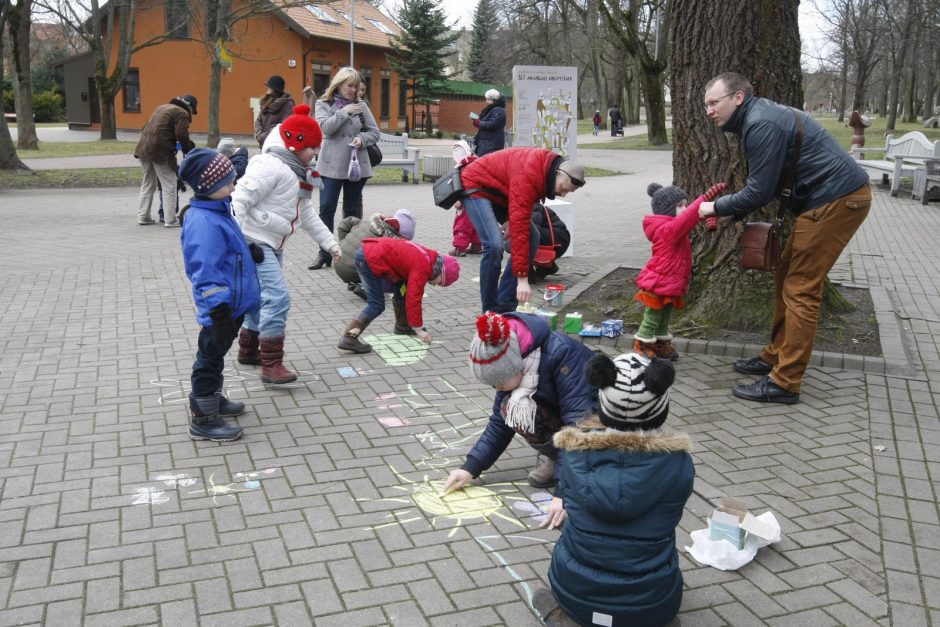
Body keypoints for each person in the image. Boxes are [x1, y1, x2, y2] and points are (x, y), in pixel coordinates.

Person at [698, 72, 871, 405]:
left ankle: (785, 382)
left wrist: (714, 206)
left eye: (714, 102)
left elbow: (759, 191)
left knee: (801, 287)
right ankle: (774, 355)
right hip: (827, 200)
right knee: (785, 272)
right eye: (706, 104)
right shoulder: (759, 118)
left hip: (836, 200)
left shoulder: (761, 123)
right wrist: (732, 212)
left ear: (738, 98)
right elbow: (771, 182)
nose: (709, 110)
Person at [532, 351, 693, 627]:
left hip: (578, 596)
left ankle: (568, 617)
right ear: (660, 407)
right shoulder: (679, 464)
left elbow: (570, 498)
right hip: (654, 603)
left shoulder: (574, 454)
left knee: (569, 558)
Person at [442, 311, 598, 520]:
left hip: (600, 423)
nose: (497, 389)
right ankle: (557, 459)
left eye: (498, 382)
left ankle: (594, 469)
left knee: (580, 440)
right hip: (568, 419)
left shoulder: (563, 354)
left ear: (516, 367)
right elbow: (499, 423)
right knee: (511, 410)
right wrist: (471, 468)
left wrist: (563, 493)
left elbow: (579, 427)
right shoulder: (515, 360)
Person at [232, 104, 341, 384]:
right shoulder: (270, 166)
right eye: (312, 148)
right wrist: (234, 240)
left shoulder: (300, 174)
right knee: (278, 298)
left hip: (273, 243)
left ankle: (248, 349)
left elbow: (306, 215)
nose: (316, 154)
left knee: (260, 298)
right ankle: (272, 364)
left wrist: (330, 244)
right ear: (295, 143)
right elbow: (239, 199)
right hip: (255, 242)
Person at [177, 148, 262, 442]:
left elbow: (228, 250)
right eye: (227, 183)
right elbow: (206, 271)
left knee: (217, 356)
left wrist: (248, 253)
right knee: (209, 359)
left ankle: (214, 399)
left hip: (232, 306)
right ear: (208, 185)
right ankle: (203, 417)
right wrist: (218, 309)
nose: (233, 186)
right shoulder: (203, 222)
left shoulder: (219, 209)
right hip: (221, 309)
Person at [458, 147, 586, 313]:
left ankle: (504, 304)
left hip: (498, 191)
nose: (563, 194)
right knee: (494, 244)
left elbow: (521, 218)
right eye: (564, 188)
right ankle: (490, 312)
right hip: (475, 184)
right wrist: (522, 279)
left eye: (568, 192)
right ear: (560, 173)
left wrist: (511, 219)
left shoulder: (545, 170)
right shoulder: (530, 174)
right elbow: (520, 231)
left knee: (534, 236)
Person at [633, 182, 717, 361]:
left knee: (665, 315)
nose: (684, 208)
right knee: (653, 316)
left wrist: (709, 215)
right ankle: (642, 344)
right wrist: (705, 198)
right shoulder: (667, 229)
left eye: (686, 205)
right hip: (660, 280)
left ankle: (660, 343)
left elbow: (688, 219)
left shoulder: (672, 226)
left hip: (671, 280)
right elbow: (687, 219)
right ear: (667, 209)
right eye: (680, 205)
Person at [309, 67, 381, 271]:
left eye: (356, 87)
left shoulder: (361, 106)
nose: (353, 91)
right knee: (326, 209)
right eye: (350, 86)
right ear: (339, 84)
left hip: (354, 165)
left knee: (351, 211)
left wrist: (362, 139)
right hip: (331, 165)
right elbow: (325, 129)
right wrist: (344, 112)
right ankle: (325, 253)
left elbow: (375, 132)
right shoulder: (323, 104)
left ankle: (350, 254)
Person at [337, 238, 460, 353]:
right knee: (376, 304)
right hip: (369, 258)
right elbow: (414, 299)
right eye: (439, 282)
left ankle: (402, 326)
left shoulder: (428, 257)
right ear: (441, 271)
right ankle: (349, 337)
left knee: (402, 284)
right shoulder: (422, 268)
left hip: (369, 252)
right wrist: (418, 329)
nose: (434, 285)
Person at [134, 94, 197, 227]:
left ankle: (143, 216)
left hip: (143, 148)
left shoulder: (161, 107)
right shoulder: (182, 113)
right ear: (189, 107)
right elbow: (181, 134)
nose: (191, 113)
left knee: (148, 183)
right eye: (192, 110)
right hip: (160, 151)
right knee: (170, 184)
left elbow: (144, 127)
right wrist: (188, 148)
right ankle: (170, 219)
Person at [334, 208, 416, 308]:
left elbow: (345, 222)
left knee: (369, 256)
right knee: (386, 267)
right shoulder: (389, 241)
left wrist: (342, 244)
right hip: (355, 268)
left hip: (337, 260)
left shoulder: (368, 222)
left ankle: (355, 282)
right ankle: (365, 288)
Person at [529, 202, 570, 283]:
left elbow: (531, 235)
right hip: (557, 238)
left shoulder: (532, 206)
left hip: (558, 241)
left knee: (520, 238)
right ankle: (546, 266)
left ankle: (543, 267)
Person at [254, 75, 295, 148]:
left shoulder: (288, 105)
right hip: (263, 144)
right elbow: (258, 120)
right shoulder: (266, 102)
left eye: (269, 86)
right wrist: (259, 134)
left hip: (275, 145)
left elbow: (283, 125)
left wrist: (264, 137)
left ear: (275, 89)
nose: (267, 88)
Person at [472, 89, 507, 156]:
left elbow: (492, 125)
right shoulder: (494, 109)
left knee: (486, 163)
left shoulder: (498, 110)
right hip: (488, 143)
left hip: (491, 144)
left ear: (494, 99)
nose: (486, 101)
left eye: (488, 99)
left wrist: (478, 122)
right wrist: (477, 120)